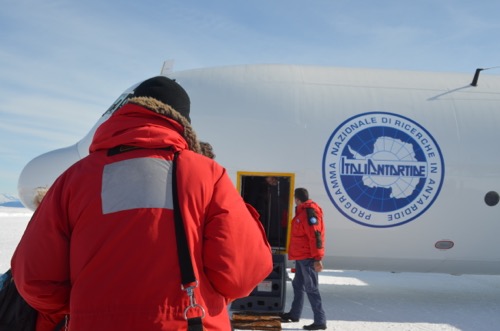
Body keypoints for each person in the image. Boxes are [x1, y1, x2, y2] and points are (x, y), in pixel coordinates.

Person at [11, 76, 273, 331]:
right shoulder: (207, 175)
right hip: (187, 321)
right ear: (182, 122)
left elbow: (35, 278)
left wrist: (90, 307)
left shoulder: (73, 179)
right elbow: (240, 275)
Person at [281, 188, 327, 330]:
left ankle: (320, 321)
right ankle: (295, 314)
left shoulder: (308, 212)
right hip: (301, 257)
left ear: (297, 198)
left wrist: (317, 258)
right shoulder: (302, 211)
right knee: (298, 285)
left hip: (308, 258)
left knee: (311, 288)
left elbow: (316, 236)